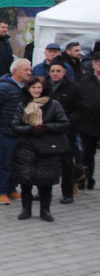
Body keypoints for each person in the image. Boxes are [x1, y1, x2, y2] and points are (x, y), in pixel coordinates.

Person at [11, 77, 69, 221]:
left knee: (46, 182)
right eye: (33, 88)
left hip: (47, 148)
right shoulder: (22, 105)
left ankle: (45, 211)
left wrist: (47, 127)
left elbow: (64, 123)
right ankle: (26, 209)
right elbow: (15, 125)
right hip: (26, 148)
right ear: (28, 89)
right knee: (25, 182)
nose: (36, 90)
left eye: (39, 87)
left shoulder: (53, 104)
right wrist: (31, 129)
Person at [0, 58, 33, 204]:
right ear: (15, 71)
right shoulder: (4, 88)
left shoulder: (28, 87)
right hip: (6, 131)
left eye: (30, 69)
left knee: (17, 162)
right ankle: (1, 191)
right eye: (26, 70)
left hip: (22, 132)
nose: (29, 72)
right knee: (5, 163)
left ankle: (12, 189)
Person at [48, 62, 81, 204]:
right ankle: (43, 190)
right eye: (52, 70)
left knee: (67, 164)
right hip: (47, 131)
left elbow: (81, 110)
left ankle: (67, 193)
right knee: (46, 163)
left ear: (64, 72)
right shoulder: (43, 85)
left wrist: (67, 123)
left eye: (58, 71)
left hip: (66, 132)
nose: (55, 73)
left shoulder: (74, 88)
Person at [72, 56, 100, 191]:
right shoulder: (85, 80)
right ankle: (86, 179)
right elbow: (78, 99)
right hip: (88, 124)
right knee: (87, 154)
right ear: (93, 65)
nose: (99, 65)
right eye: (97, 62)